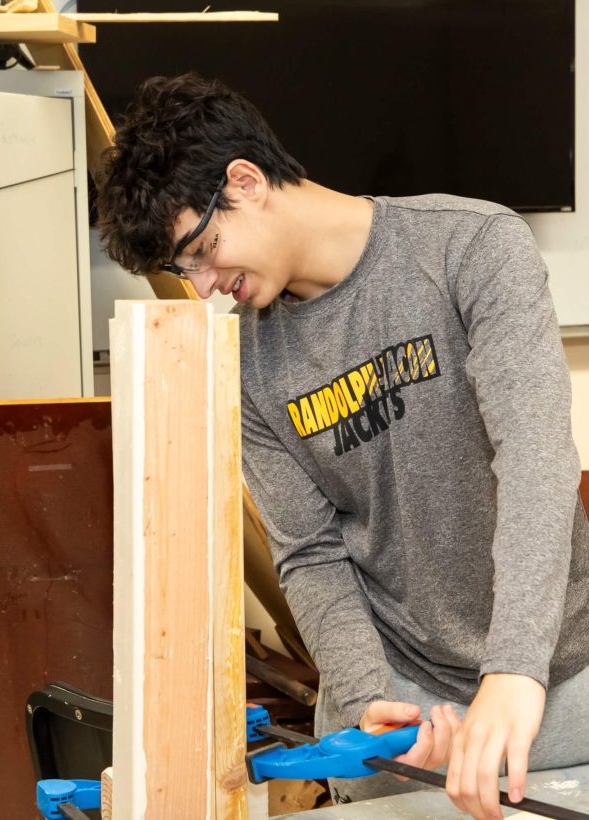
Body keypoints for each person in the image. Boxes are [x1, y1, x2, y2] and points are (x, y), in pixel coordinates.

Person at [95, 72, 589, 820]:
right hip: (405, 705)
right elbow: (311, 553)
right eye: (183, 270)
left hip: (557, 677)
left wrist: (515, 669)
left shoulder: (472, 247)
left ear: (246, 181)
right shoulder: (250, 363)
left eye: (201, 250)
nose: (202, 287)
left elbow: (536, 463)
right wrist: (367, 703)